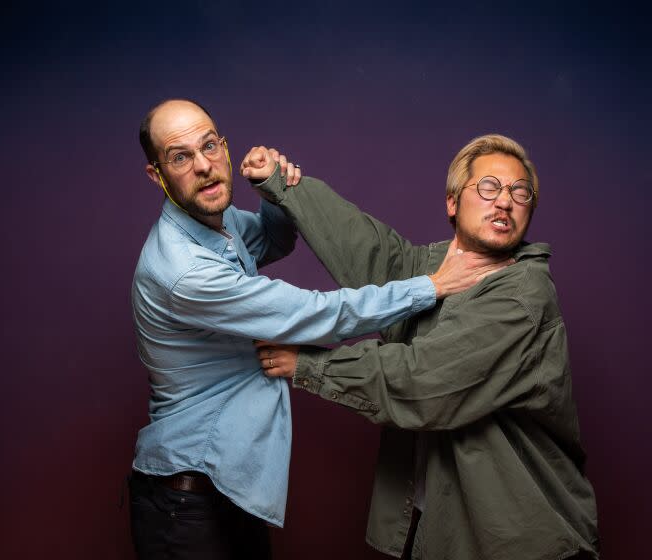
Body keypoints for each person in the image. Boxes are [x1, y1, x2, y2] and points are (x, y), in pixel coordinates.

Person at [128, 100, 510, 560]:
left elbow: (273, 239)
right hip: (185, 500)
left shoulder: (216, 220)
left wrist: (276, 193)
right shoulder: (184, 272)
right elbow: (315, 314)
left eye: (209, 146)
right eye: (181, 157)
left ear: (224, 147)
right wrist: (431, 286)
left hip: (224, 485)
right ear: (158, 174)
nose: (205, 166)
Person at [255, 134, 600, 560]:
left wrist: (309, 365)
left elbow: (425, 380)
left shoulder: (522, 295)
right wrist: (287, 185)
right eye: (489, 187)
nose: (505, 201)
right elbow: (372, 253)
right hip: (436, 529)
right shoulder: (443, 268)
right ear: (452, 203)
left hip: (519, 542)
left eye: (519, 192)